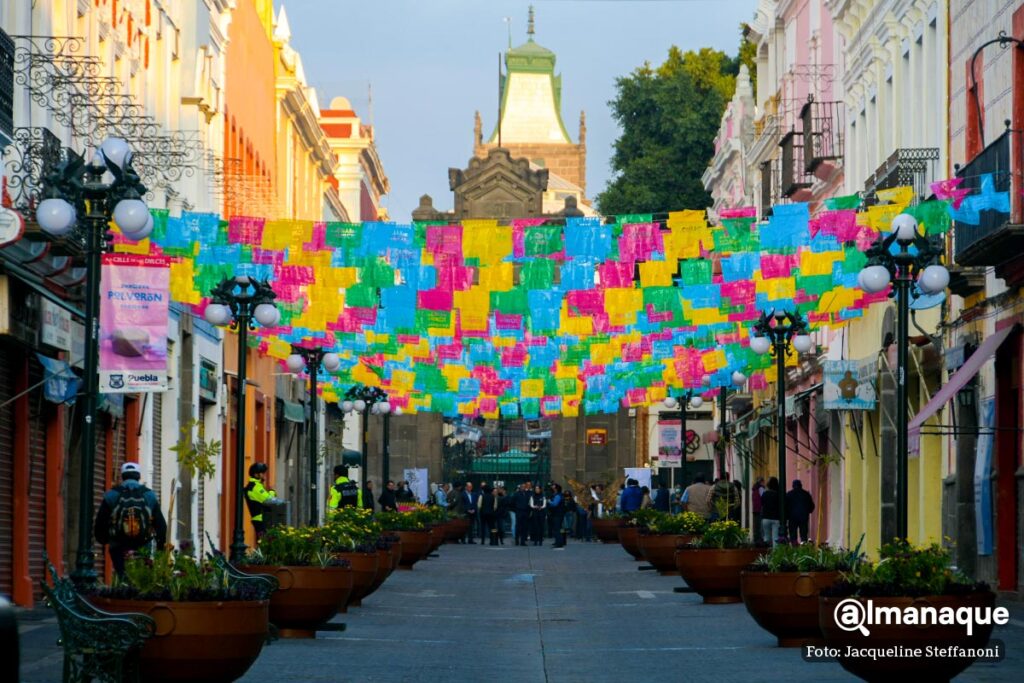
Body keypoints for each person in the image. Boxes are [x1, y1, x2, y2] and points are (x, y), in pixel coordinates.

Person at [94, 462, 167, 575]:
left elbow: (101, 523)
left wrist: (105, 539)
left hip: (118, 546)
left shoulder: (111, 495)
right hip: (143, 545)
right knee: (141, 577)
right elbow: (160, 525)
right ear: (139, 476)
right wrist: (160, 547)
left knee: (123, 575)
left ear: (122, 476)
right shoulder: (149, 495)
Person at [244, 462, 277, 540]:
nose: (264, 475)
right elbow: (269, 500)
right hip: (261, 520)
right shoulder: (255, 487)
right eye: (262, 473)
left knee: (266, 542)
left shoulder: (257, 485)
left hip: (262, 519)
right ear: (256, 474)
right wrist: (272, 491)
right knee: (265, 542)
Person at [786, 479, 815, 543]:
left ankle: (794, 547)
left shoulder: (789, 494)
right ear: (801, 485)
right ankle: (803, 546)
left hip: (792, 517)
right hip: (803, 517)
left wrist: (787, 515)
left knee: (793, 535)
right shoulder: (806, 494)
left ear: (793, 486)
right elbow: (811, 506)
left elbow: (785, 506)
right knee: (803, 535)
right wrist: (808, 511)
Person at [760, 477, 781, 546]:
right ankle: (775, 552)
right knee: (775, 538)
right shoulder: (778, 494)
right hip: (776, 518)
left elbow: (762, 504)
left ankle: (767, 550)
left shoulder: (765, 494)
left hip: (766, 517)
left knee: (767, 538)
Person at [547, 484, 566, 548]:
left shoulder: (558, 496)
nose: (552, 489)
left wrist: (549, 501)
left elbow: (555, 504)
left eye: (553, 488)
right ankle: (558, 541)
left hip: (557, 514)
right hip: (557, 514)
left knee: (557, 529)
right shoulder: (557, 495)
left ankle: (559, 543)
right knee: (557, 528)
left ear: (556, 489)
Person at [751, 477, 766, 545]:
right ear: (761, 482)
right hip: (760, 509)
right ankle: (760, 541)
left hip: (755, 509)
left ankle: (756, 540)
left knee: (756, 526)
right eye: (763, 482)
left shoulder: (754, 489)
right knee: (760, 526)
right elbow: (763, 498)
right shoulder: (761, 489)